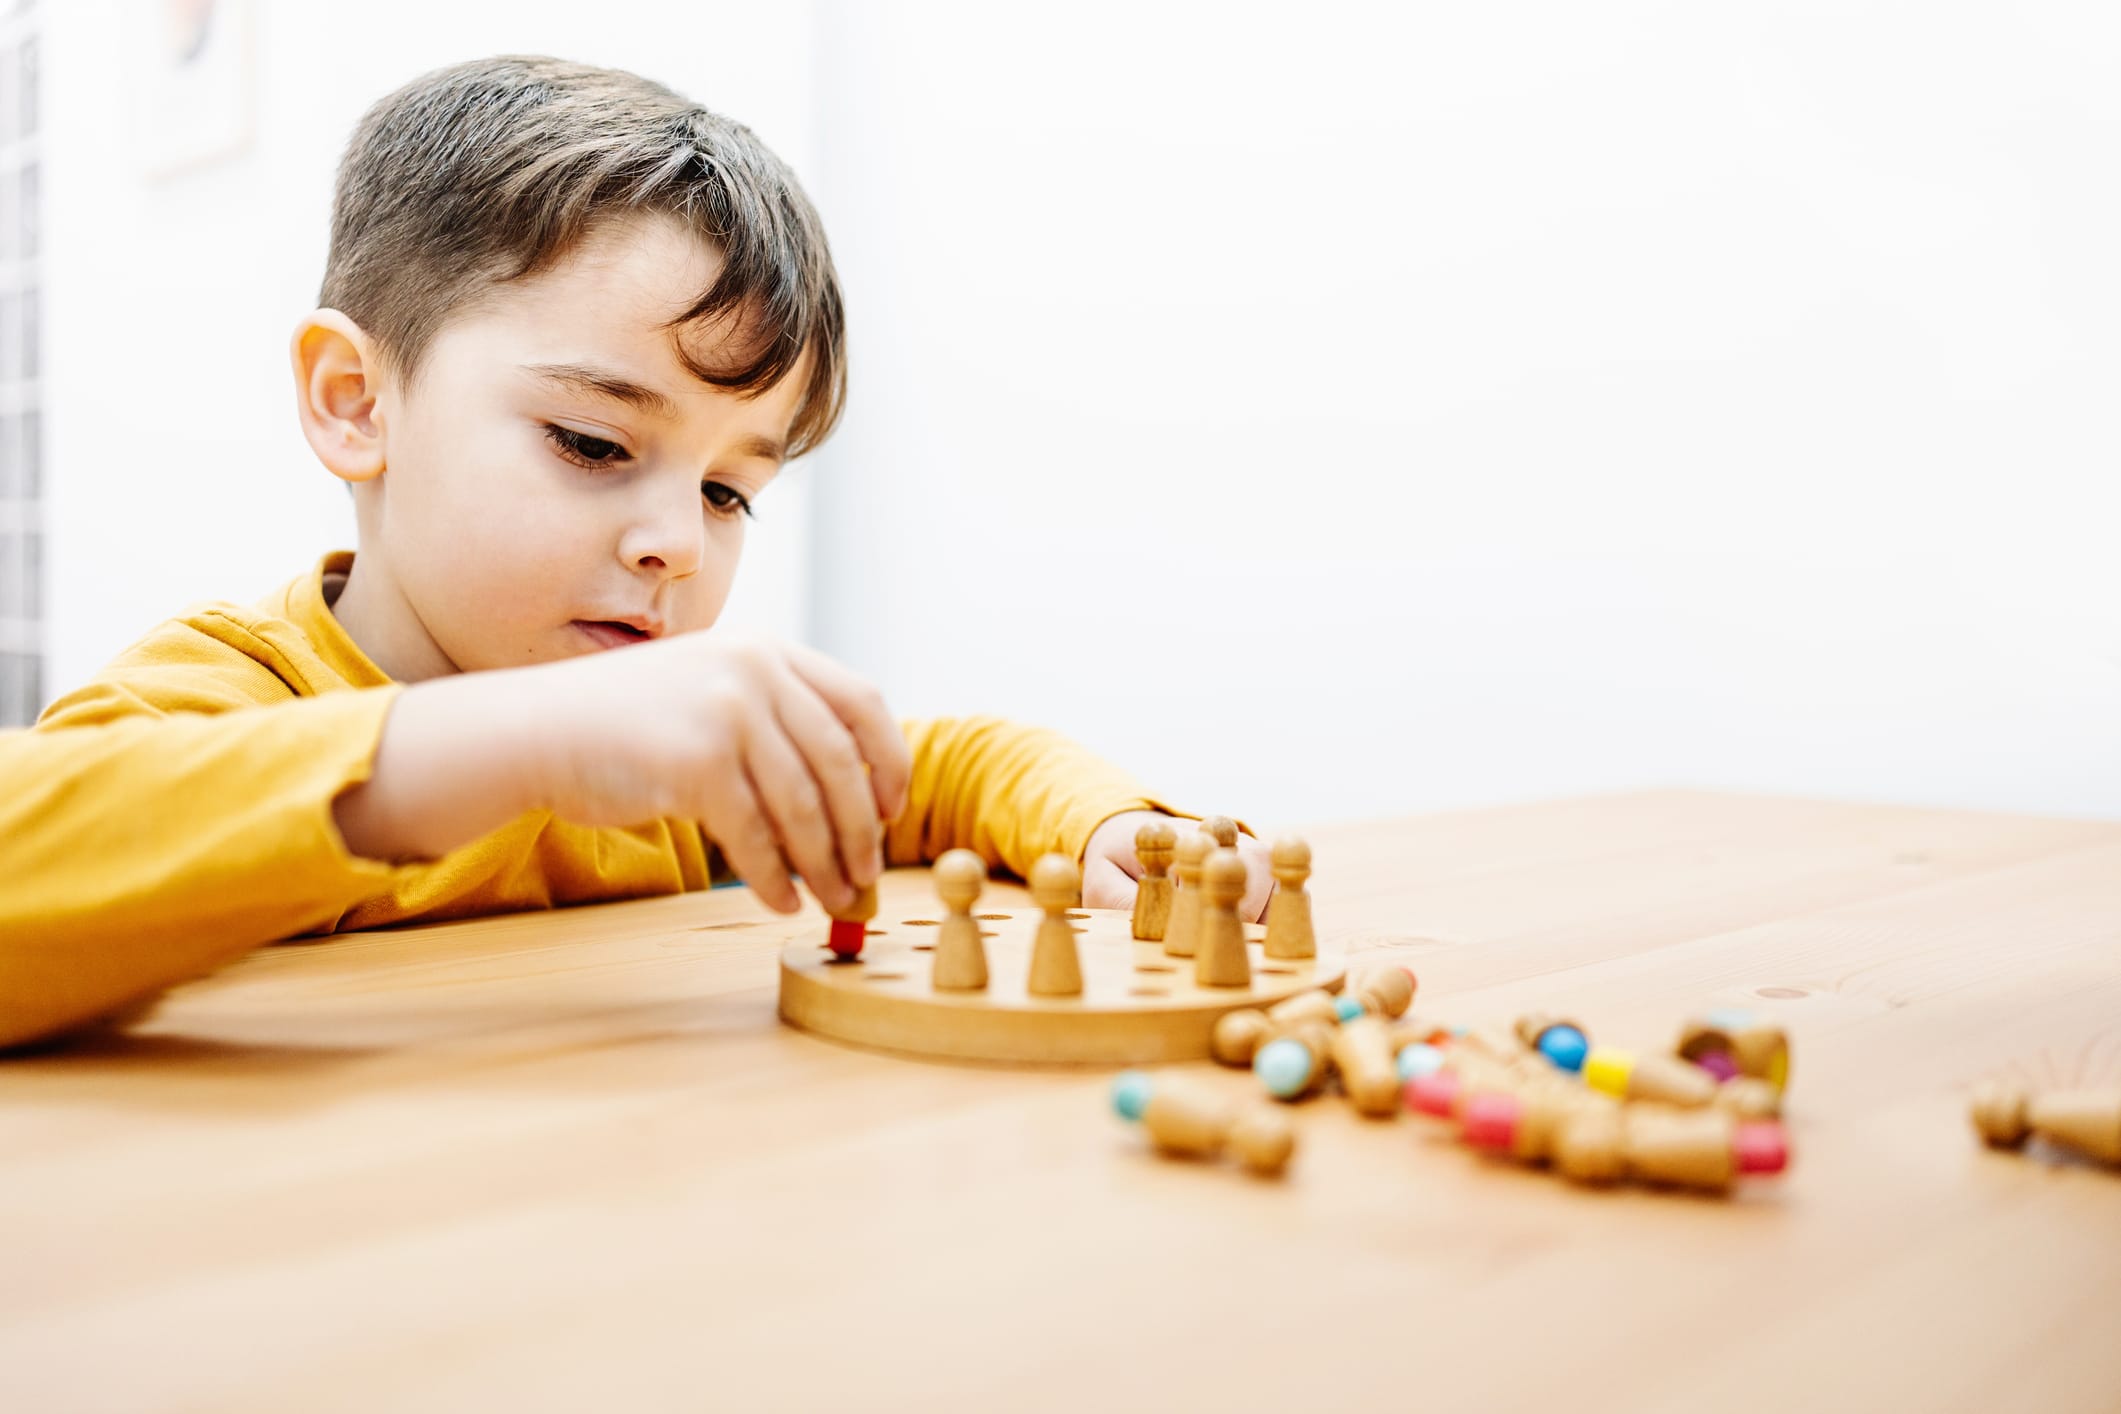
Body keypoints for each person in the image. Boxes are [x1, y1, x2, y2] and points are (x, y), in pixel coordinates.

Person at [0, 55, 1272, 1051]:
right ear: (355, 400)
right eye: (594, 443)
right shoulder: (231, 696)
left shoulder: (660, 741)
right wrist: (536, 738)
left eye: (730, 492)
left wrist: (1107, 821)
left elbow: (932, 769)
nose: (675, 546)